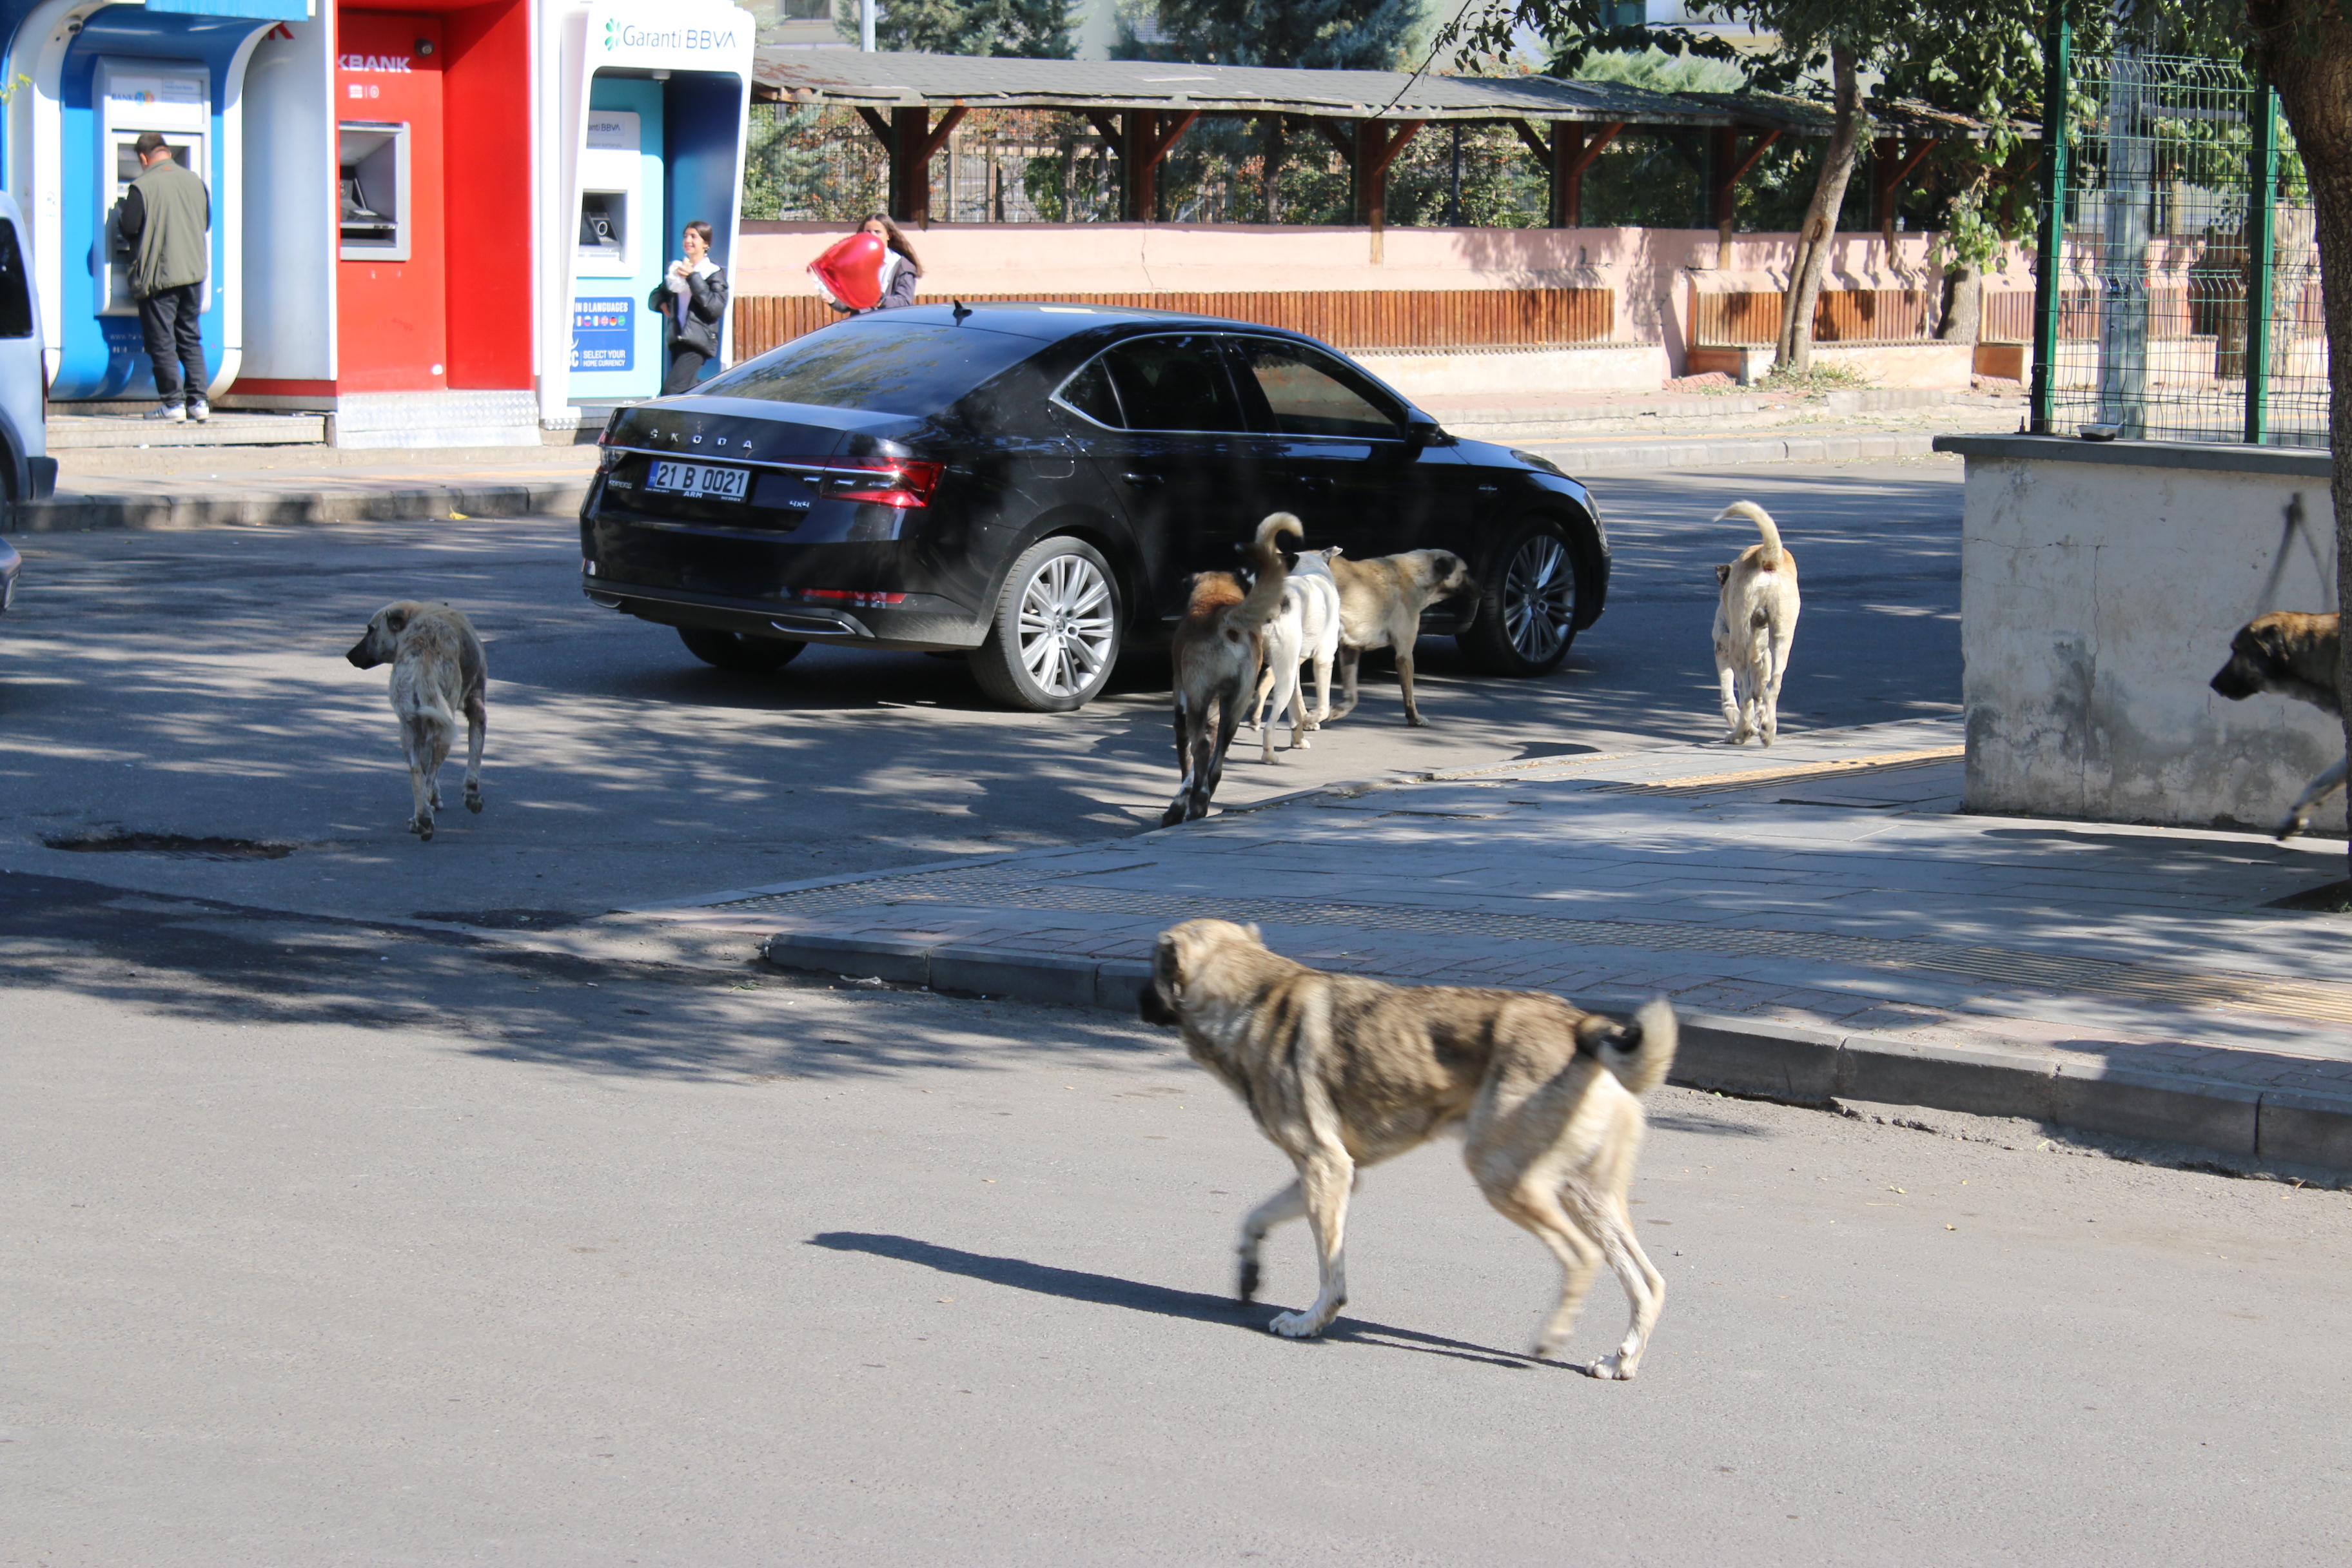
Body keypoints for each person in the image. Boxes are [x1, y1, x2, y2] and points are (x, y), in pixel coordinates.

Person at [116, 131, 211, 424]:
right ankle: (198, 402)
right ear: (168, 152)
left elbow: (129, 228)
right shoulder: (196, 182)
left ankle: (172, 403)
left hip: (161, 275)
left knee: (162, 340)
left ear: (144, 158)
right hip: (194, 273)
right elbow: (206, 222)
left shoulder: (141, 186)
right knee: (189, 336)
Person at [651, 220, 729, 395]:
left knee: (671, 391)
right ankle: (712, 402)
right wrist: (662, 304)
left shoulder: (712, 272)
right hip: (678, 339)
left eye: (694, 237)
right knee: (688, 391)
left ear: (706, 244)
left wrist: (693, 278)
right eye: (686, 236)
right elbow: (655, 295)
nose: (688, 240)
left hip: (697, 342)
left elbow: (715, 308)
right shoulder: (678, 270)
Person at [831, 213, 921, 314]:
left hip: (888, 326)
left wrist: (881, 301)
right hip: (862, 325)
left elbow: (905, 302)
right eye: (868, 232)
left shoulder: (902, 265)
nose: (872, 236)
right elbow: (849, 304)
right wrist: (832, 299)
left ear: (889, 235)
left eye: (878, 232)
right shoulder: (857, 264)